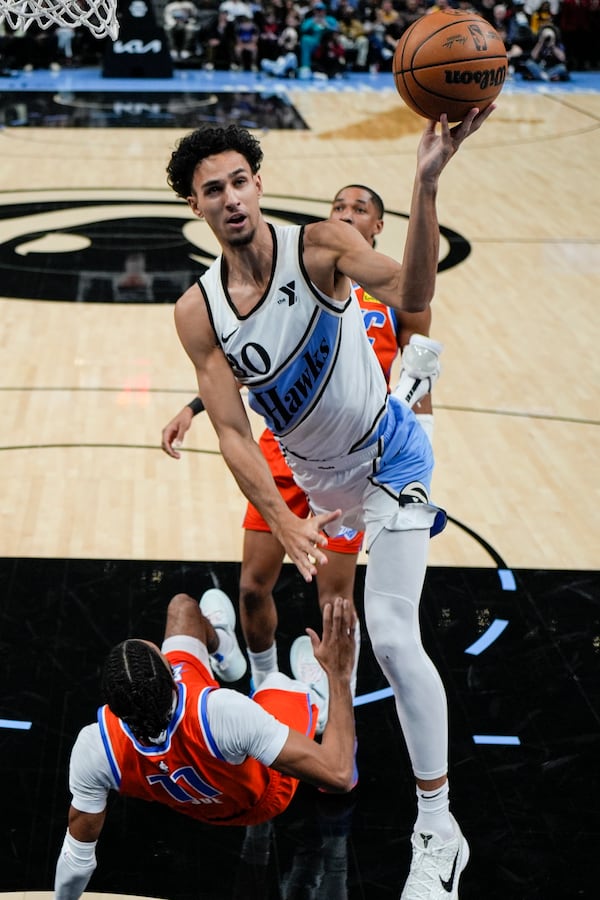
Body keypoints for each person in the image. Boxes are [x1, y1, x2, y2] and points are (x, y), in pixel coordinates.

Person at [165, 113, 493, 897]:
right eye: (214, 189)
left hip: (391, 455)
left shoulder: (317, 247)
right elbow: (237, 435)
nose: (233, 197)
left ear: (259, 184)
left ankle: (437, 827)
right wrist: (282, 517)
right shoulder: (197, 313)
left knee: (390, 631)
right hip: (323, 490)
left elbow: (414, 292)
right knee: (333, 621)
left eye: (241, 180)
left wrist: (427, 180)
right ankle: (302, 684)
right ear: (196, 207)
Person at [161, 184, 443, 725]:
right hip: (283, 448)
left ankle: (341, 711)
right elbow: (255, 363)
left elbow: (418, 369)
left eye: (360, 208)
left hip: (357, 455)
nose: (345, 213)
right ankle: (264, 682)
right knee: (249, 586)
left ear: (377, 227)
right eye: (339, 206)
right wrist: (196, 407)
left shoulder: (383, 298)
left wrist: (422, 435)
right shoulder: (306, 278)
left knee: (337, 602)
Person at [53, 591, 357, 899]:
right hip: (260, 796)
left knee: (183, 607)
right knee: (278, 684)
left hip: (192, 803)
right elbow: (338, 773)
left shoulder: (95, 748)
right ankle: (318, 706)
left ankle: (228, 656)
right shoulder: (221, 712)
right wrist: (339, 673)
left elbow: (77, 860)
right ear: (174, 678)